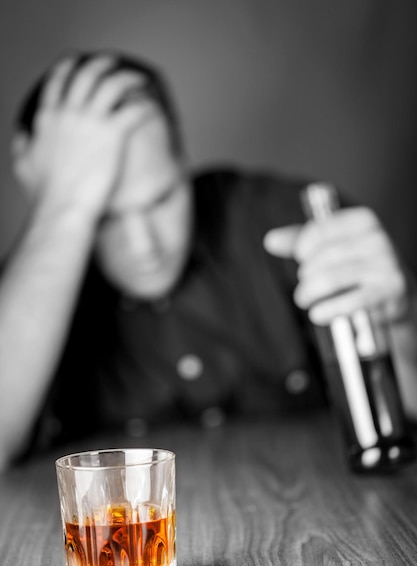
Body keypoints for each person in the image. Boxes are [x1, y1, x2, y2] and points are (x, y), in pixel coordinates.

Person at [1, 50, 417, 471]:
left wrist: (402, 325)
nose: (144, 245)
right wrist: (64, 205)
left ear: (184, 159)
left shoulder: (288, 221)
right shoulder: (22, 295)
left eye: (162, 198)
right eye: (103, 217)